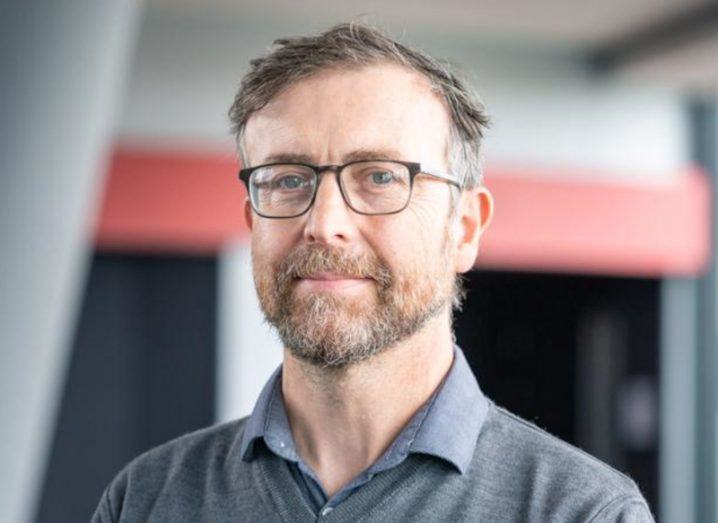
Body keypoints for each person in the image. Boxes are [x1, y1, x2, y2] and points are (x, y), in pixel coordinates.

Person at [92, 23, 653, 522]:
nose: (323, 222)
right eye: (288, 179)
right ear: (251, 222)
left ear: (464, 228)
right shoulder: (146, 499)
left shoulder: (582, 512)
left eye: (380, 177)